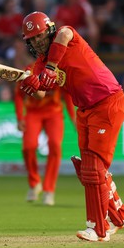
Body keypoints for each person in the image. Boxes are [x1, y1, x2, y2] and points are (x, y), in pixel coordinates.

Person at [18, 11, 124, 242]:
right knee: (87, 169)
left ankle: (98, 229)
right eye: (31, 39)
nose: (36, 42)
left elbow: (65, 32)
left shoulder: (66, 36)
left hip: (107, 102)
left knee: (94, 168)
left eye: (39, 36)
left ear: (49, 30)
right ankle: (120, 216)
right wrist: (30, 83)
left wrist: (51, 67)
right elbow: (42, 90)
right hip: (84, 110)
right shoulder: (40, 64)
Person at [14, 63, 76, 206]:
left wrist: (73, 119)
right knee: (28, 147)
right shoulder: (29, 70)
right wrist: (19, 117)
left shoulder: (59, 72)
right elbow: (18, 94)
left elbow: (67, 94)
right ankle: (35, 183)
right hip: (33, 112)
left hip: (54, 113)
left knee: (55, 145)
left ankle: (49, 190)